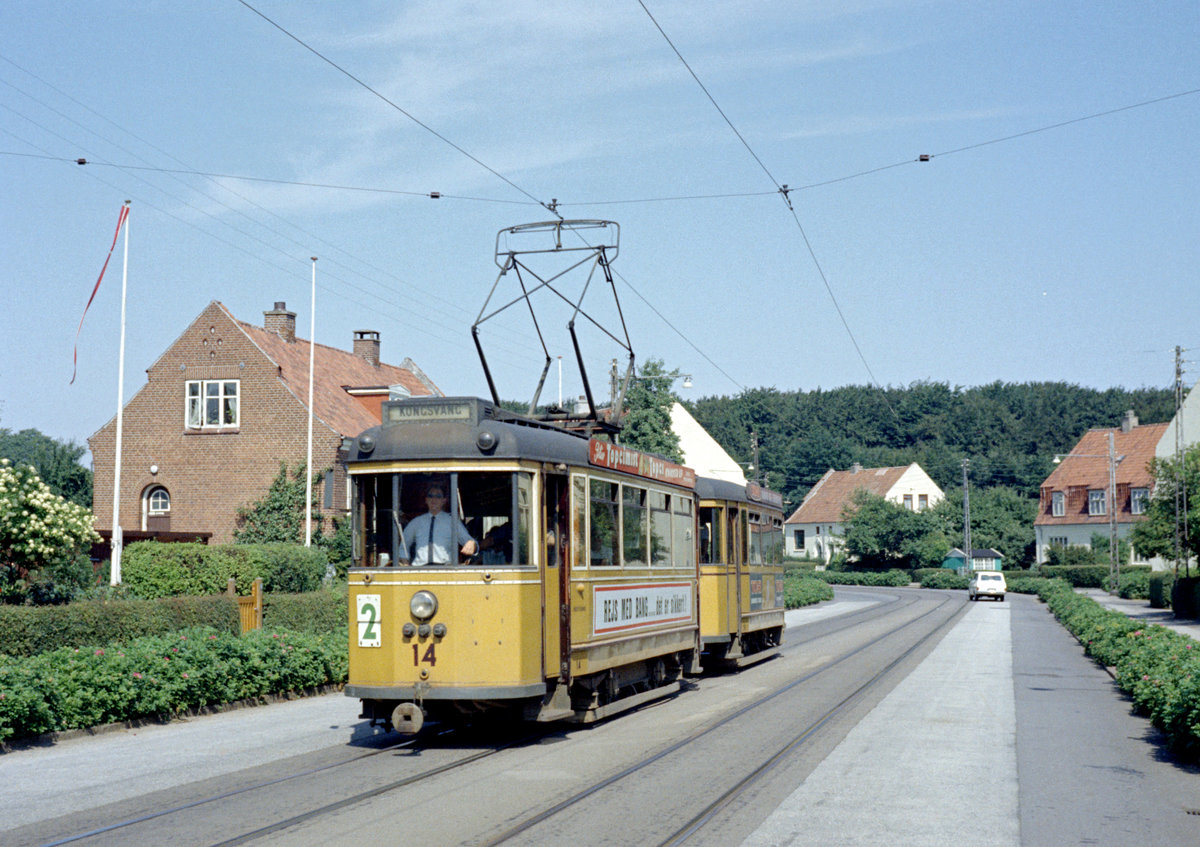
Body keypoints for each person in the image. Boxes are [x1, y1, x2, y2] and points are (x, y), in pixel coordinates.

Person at [404, 485, 477, 566]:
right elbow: (403, 545)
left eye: (438, 496)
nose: (434, 499)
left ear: (444, 500)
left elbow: (470, 541)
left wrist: (472, 544)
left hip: (445, 570)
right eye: (430, 496)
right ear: (426, 500)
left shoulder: (452, 521)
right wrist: (404, 562)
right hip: (420, 569)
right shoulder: (416, 522)